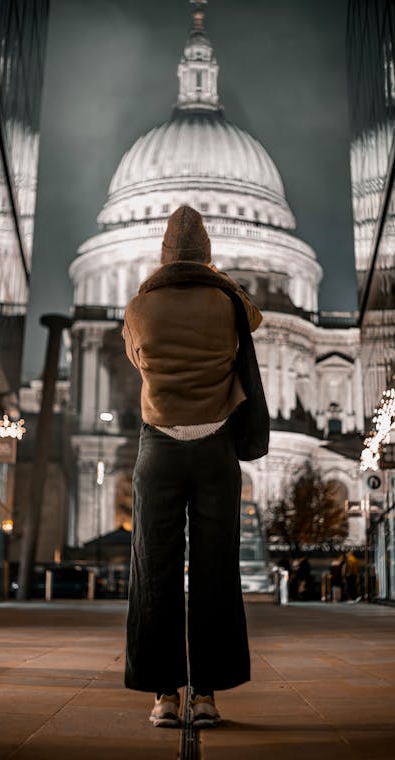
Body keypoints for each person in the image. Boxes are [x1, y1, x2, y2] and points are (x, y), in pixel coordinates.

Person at [122, 205, 262, 728]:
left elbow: (137, 358)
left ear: (162, 254)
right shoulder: (228, 302)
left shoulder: (139, 307)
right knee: (215, 570)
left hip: (159, 445)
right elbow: (253, 322)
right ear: (208, 254)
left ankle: (164, 696)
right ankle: (205, 694)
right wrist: (218, 281)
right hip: (215, 447)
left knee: (154, 570)